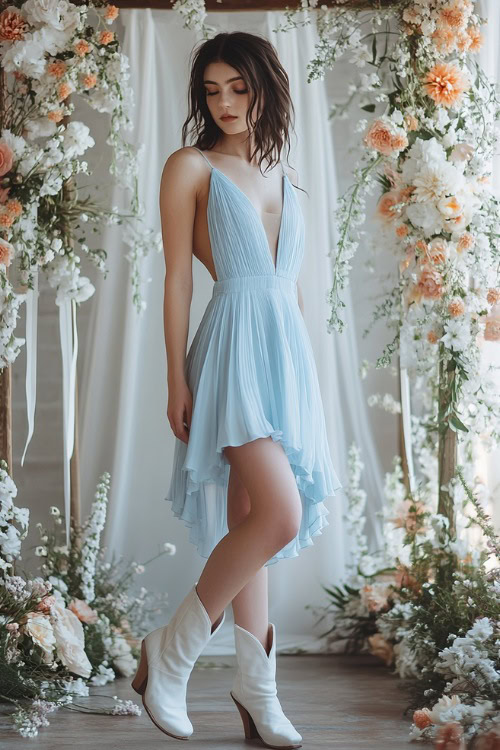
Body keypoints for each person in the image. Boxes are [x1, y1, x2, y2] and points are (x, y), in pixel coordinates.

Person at [131, 31, 343, 748]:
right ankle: (174, 649)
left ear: (264, 87)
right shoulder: (190, 166)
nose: (224, 102)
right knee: (278, 517)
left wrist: (306, 383)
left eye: (238, 87)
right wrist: (172, 378)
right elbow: (179, 279)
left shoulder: (290, 178)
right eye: (212, 89)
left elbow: (294, 295)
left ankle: (258, 695)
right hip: (229, 351)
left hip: (285, 358)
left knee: (257, 525)